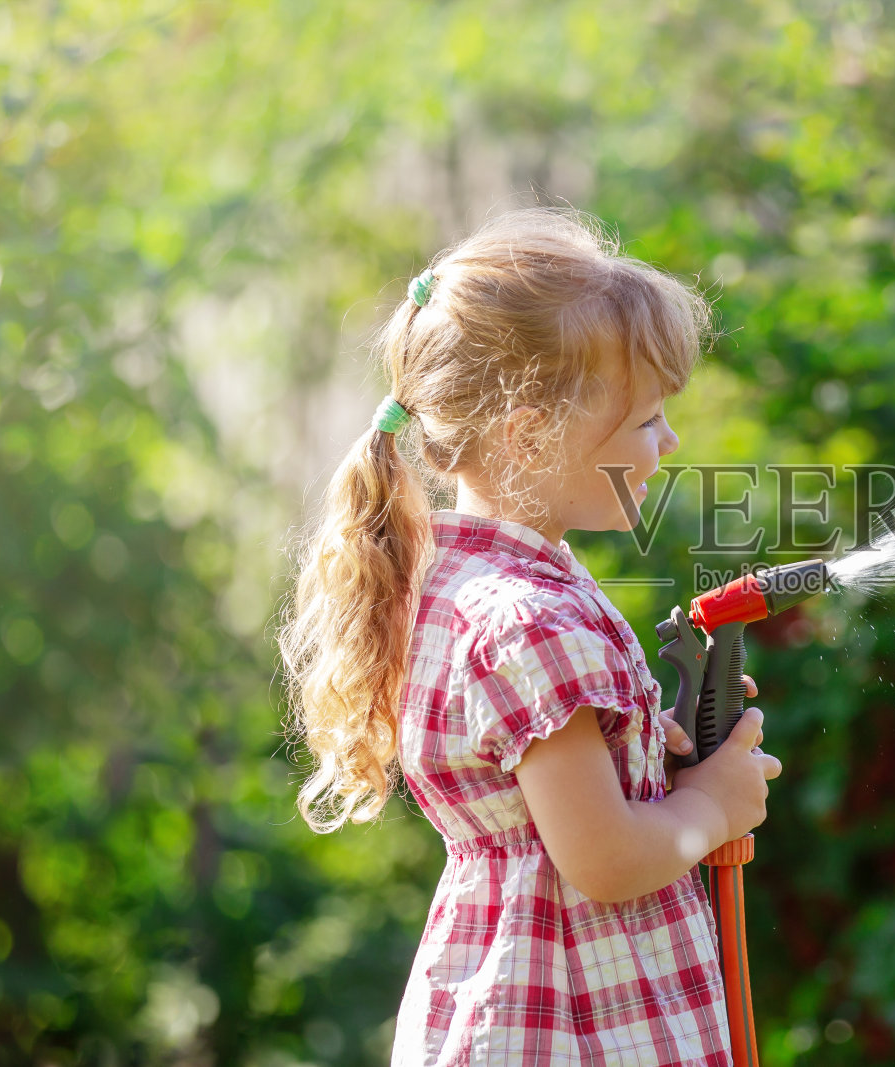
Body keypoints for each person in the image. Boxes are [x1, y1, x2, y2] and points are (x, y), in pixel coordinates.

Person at [277, 208, 782, 1066]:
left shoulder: (463, 583)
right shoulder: (529, 621)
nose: (670, 439)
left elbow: (559, 791)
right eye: (646, 420)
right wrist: (712, 806)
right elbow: (608, 859)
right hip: (575, 1022)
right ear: (529, 436)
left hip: (516, 1000)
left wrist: (653, 759)